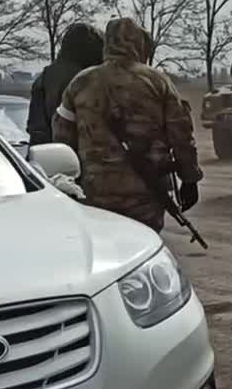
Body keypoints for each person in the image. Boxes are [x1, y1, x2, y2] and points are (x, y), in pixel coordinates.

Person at [52, 17, 202, 233]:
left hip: (95, 195)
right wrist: (189, 179)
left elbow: (62, 138)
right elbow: (181, 135)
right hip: (146, 194)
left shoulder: (80, 82)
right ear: (139, 43)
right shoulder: (157, 82)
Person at [27, 23, 105, 145]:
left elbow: (36, 129)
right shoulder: (85, 80)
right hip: (78, 155)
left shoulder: (43, 78)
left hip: (45, 154)